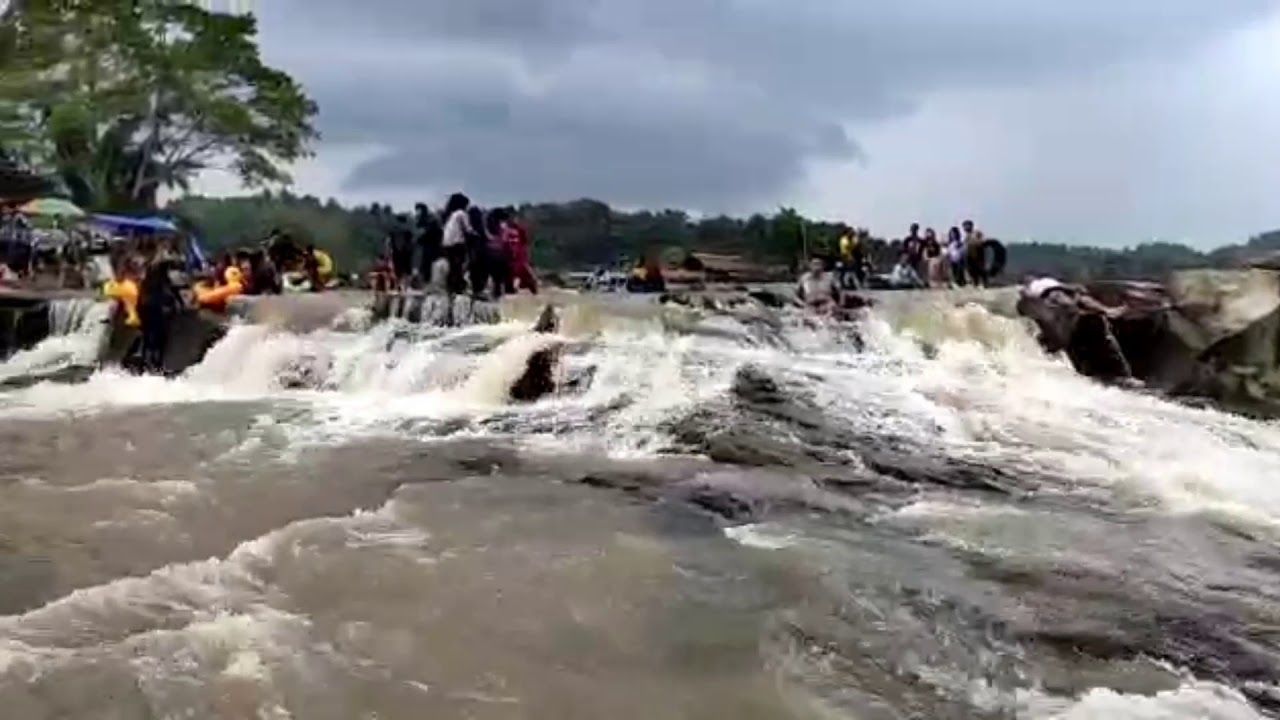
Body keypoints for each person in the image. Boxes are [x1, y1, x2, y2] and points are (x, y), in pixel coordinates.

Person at [138, 254, 185, 372]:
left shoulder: (149, 278)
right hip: (155, 309)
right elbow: (172, 292)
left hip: (146, 308)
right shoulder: (161, 278)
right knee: (158, 336)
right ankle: (155, 362)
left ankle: (146, 360)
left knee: (148, 336)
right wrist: (179, 304)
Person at [440, 192, 472, 296]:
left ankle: (450, 287)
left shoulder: (449, 214)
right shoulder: (461, 214)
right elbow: (468, 229)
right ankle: (458, 287)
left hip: (446, 243)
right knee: (459, 266)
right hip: (457, 242)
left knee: (453, 266)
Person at [506, 208, 538, 294]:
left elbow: (525, 243)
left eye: (514, 216)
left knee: (529, 276)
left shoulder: (520, 230)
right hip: (511, 259)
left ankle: (531, 288)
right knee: (513, 277)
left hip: (520, 258)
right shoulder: (505, 230)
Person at [414, 202, 443, 288]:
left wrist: (420, 238)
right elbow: (418, 228)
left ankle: (430, 283)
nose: (417, 213)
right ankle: (425, 283)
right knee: (424, 264)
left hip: (434, 245)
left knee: (430, 265)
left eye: (419, 210)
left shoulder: (431, 218)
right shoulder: (422, 219)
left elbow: (430, 232)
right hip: (427, 245)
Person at [963, 219, 988, 287]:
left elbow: (982, 240)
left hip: (978, 254)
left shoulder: (976, 233)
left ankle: (984, 282)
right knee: (972, 270)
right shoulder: (966, 237)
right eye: (965, 226)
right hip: (970, 256)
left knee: (980, 269)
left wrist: (976, 242)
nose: (966, 228)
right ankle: (975, 282)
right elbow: (965, 246)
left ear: (971, 226)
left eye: (967, 226)